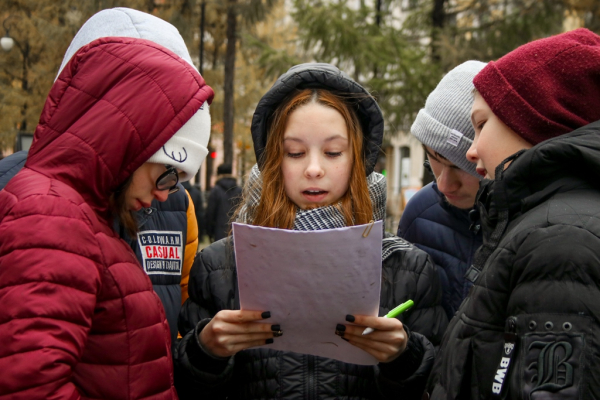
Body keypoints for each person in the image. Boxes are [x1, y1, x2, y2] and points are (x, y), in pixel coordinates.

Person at [174, 63, 447, 399]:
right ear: (274, 160)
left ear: (358, 159)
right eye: (295, 153)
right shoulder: (221, 266)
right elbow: (185, 386)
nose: (314, 169)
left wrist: (406, 357)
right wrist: (206, 352)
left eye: (333, 152)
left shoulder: (407, 268)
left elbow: (440, 384)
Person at [0, 7, 214, 399]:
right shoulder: (51, 216)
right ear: (127, 135)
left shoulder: (78, 212)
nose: (167, 193)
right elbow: (31, 384)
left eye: (178, 178)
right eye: (165, 171)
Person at [427, 28, 600, 399]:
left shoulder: (560, 241)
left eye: (480, 125)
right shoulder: (545, 225)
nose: (471, 152)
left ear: (535, 118)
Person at [398, 61, 485, 320]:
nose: (445, 185)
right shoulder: (419, 214)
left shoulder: (529, 225)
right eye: (434, 158)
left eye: (462, 166)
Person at [205, 163, 242, 241]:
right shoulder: (239, 190)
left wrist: (209, 232)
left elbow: (210, 212)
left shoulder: (216, 190)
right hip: (236, 231)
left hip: (219, 231)